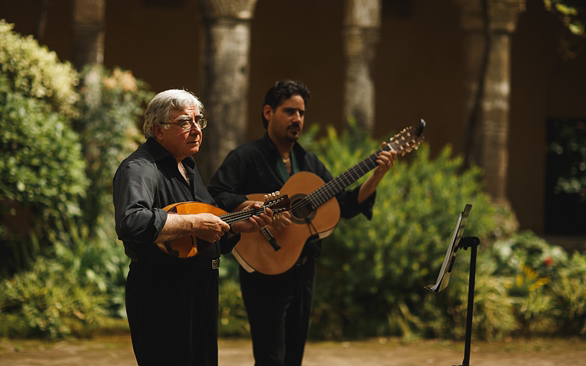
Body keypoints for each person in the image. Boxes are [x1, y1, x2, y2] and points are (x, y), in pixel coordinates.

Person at [207, 80, 397, 366]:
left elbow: (344, 204)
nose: (297, 119)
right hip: (264, 268)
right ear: (269, 112)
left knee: (294, 356)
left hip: (303, 269)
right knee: (270, 357)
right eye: (290, 111)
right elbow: (217, 194)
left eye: (302, 113)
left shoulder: (308, 162)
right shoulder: (245, 157)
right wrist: (253, 207)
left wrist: (377, 175)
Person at [113, 89, 273, 366]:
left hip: (199, 288)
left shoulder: (187, 166)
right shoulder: (139, 168)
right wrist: (191, 223)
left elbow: (210, 226)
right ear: (158, 130)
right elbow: (131, 222)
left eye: (199, 121)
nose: (197, 129)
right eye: (185, 122)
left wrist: (236, 224)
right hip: (162, 290)